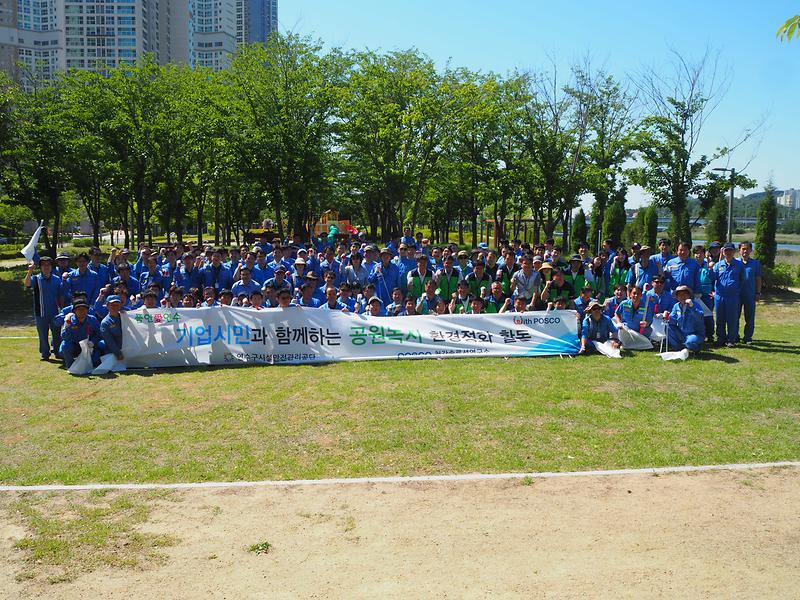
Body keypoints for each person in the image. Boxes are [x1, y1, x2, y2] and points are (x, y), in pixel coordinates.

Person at [25, 256, 63, 360]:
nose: (46, 267)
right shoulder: (36, 278)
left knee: (57, 333)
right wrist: (30, 271)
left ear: (51, 266)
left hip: (55, 311)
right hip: (40, 311)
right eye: (43, 265)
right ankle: (45, 353)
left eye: (48, 265)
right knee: (42, 334)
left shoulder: (56, 279)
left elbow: (61, 295)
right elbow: (27, 284)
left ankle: (58, 351)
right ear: (40, 267)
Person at [713, 242, 744, 347]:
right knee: (720, 319)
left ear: (734, 252)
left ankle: (731, 339)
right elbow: (713, 279)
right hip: (719, 296)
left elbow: (742, 280)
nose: (728, 252)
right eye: (726, 250)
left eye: (730, 250)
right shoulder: (718, 265)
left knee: (732, 319)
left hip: (733, 297)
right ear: (723, 252)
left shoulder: (739, 265)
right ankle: (720, 339)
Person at [59, 299, 101, 369]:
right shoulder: (69, 321)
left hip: (89, 346)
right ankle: (70, 366)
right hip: (75, 346)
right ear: (74, 311)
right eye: (79, 309)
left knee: (95, 362)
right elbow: (64, 337)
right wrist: (68, 325)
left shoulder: (92, 320)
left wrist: (93, 342)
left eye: (84, 309)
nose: (82, 311)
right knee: (65, 346)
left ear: (87, 310)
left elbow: (99, 334)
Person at [666, 285, 705, 355]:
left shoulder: (695, 305)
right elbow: (672, 321)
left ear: (689, 296)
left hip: (695, 334)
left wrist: (692, 307)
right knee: (667, 327)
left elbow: (700, 317)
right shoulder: (676, 306)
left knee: (690, 342)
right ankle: (678, 348)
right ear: (677, 297)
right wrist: (667, 316)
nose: (682, 297)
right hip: (681, 333)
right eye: (680, 295)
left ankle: (696, 349)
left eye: (684, 294)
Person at [737, 242, 762, 344]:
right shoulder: (735, 262)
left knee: (750, 318)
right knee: (735, 317)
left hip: (750, 295)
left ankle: (747, 337)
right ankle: (735, 336)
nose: (745, 251)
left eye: (747, 249)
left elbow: (758, 279)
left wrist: (758, 293)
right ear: (739, 250)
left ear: (751, 250)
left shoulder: (755, 263)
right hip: (737, 295)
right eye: (743, 249)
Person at [100, 295, 125, 362]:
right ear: (107, 305)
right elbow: (109, 341)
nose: (115, 307)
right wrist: (118, 353)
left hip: (128, 347)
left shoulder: (125, 316)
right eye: (112, 305)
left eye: (117, 305)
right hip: (113, 349)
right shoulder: (105, 322)